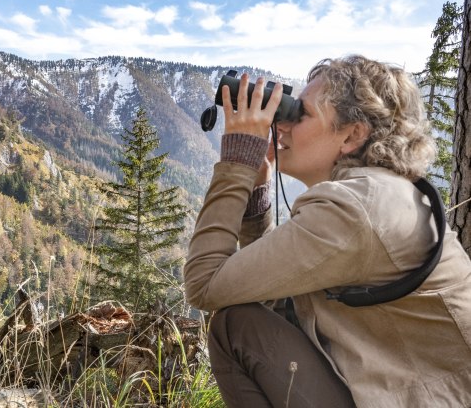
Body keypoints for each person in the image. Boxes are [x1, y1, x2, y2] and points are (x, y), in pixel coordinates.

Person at [184, 55, 471, 408]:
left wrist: (237, 160)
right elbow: (273, 300)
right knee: (243, 322)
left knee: (233, 328)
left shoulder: (353, 209)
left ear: (352, 135)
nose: (282, 126)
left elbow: (204, 284)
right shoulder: (377, 193)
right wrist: (257, 198)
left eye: (298, 114)